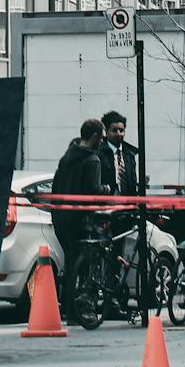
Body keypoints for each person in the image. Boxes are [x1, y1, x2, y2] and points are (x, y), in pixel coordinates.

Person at [52, 118, 107, 320]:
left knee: (71, 263)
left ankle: (68, 309)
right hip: (81, 220)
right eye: (101, 137)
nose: (102, 141)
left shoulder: (67, 157)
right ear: (93, 136)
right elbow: (93, 192)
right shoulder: (92, 160)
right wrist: (106, 190)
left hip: (61, 218)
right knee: (84, 266)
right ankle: (79, 311)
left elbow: (56, 186)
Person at [99, 110, 142, 198]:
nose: (119, 134)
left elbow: (133, 182)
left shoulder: (130, 155)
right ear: (106, 132)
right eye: (114, 130)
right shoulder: (99, 154)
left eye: (121, 130)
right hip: (106, 204)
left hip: (128, 204)